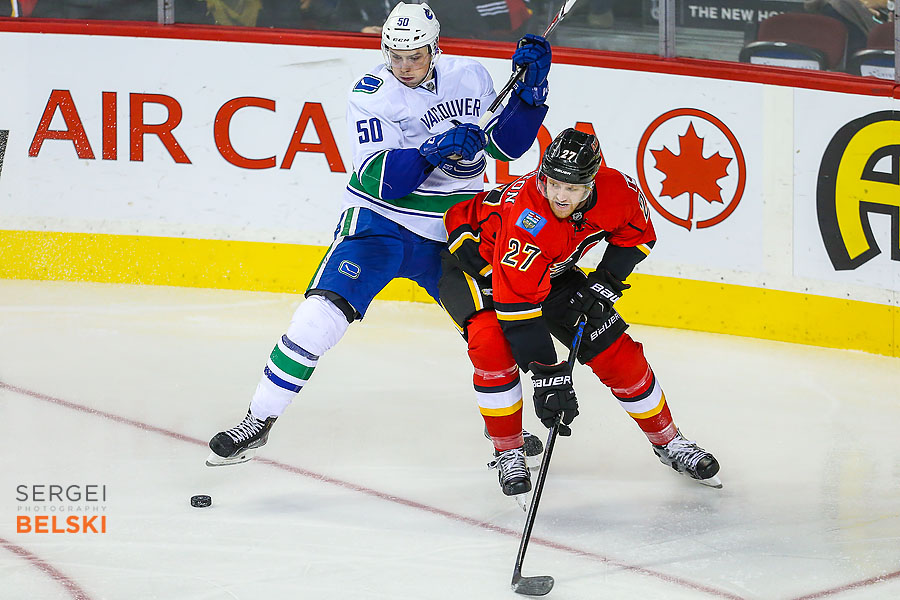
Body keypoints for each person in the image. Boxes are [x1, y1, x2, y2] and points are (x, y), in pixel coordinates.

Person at [206, 1, 551, 467]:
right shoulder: (371, 93)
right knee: (317, 316)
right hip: (381, 223)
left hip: (457, 231)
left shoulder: (471, 77)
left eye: (414, 56)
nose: (403, 67)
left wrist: (531, 92)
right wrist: (432, 151)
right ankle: (258, 419)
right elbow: (381, 179)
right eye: (395, 55)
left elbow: (507, 143)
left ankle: (509, 438)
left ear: (434, 47)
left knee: (490, 334)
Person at [439, 128, 722, 499]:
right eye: (553, 183)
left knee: (617, 353)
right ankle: (508, 450)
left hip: (546, 269)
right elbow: (518, 311)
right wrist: (548, 377)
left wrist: (604, 282)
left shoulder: (618, 190)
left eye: (571, 188)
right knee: (491, 343)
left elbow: (636, 237)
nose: (559, 195)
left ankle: (670, 442)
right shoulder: (530, 218)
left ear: (591, 183)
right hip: (477, 266)